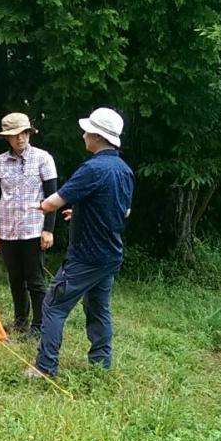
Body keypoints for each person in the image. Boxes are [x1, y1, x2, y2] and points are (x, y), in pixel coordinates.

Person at [25, 107, 133, 379]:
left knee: (53, 305)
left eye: (87, 131)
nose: (83, 135)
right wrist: (83, 212)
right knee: (98, 308)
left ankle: (44, 367)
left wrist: (38, 205)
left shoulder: (92, 169)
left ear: (97, 136)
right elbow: (123, 211)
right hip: (110, 255)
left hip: (86, 256)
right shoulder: (124, 170)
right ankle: (100, 365)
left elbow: (53, 202)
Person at [0, 112, 58, 336]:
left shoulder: (43, 158)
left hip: (33, 229)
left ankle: (39, 325)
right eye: (15, 134)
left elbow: (53, 197)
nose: (20, 138)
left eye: (24, 133)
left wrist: (48, 229)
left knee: (35, 280)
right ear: (6, 137)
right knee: (15, 278)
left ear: (29, 133)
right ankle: (20, 321)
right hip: (8, 230)